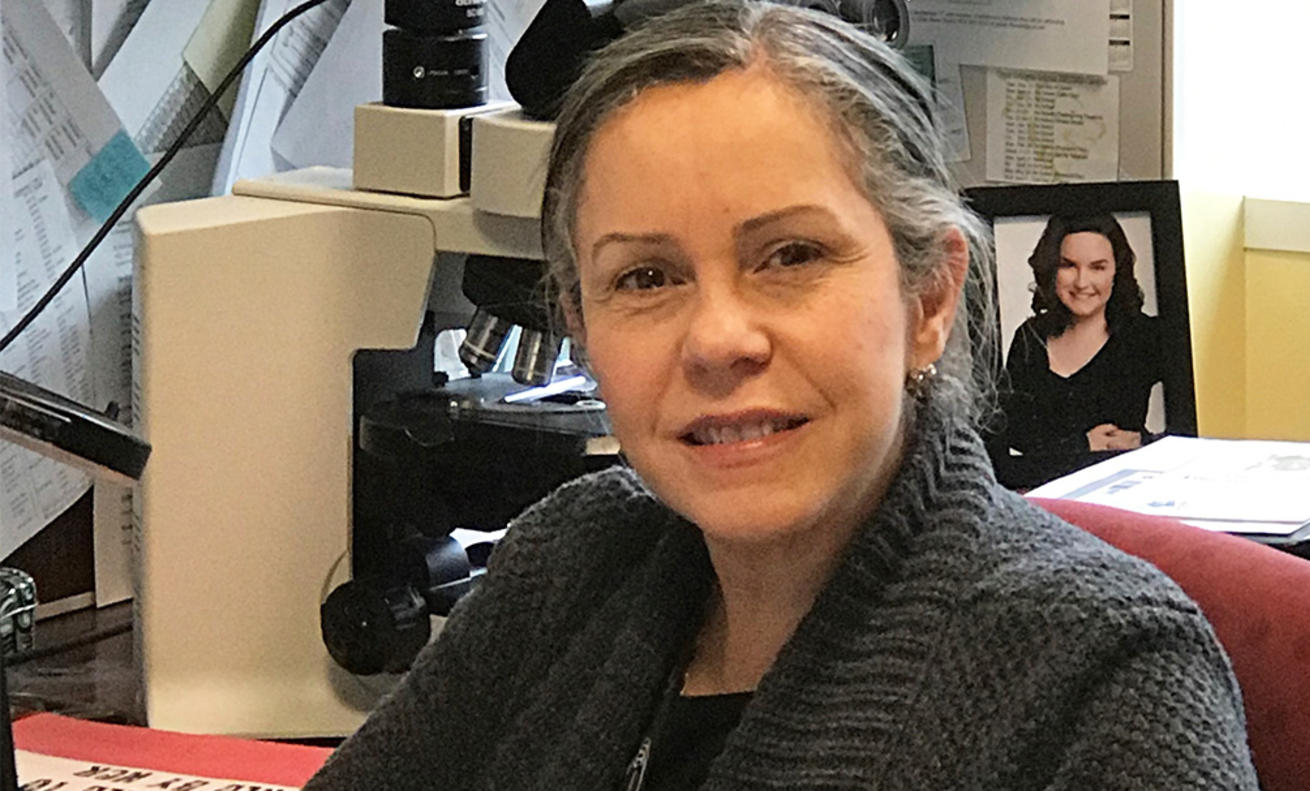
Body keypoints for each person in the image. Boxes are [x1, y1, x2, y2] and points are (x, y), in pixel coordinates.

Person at [303, 3, 1256, 789]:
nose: (719, 339)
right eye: (644, 278)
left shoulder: (1106, 677)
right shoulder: (570, 563)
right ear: (580, 326)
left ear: (928, 296)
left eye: (791, 256)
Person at [1001, 213, 1162, 456]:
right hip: (1040, 489)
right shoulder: (1028, 338)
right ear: (1051, 269)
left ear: (1117, 270)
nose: (1081, 282)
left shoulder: (1147, 335)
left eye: (1097, 267)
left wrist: (1145, 441)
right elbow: (1010, 439)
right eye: (1068, 265)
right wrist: (1083, 445)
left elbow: (1191, 430)